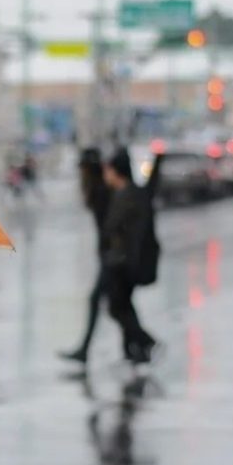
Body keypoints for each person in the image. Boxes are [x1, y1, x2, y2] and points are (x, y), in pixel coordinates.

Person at [101, 148, 158, 365]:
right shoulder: (121, 194)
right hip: (121, 261)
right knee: (123, 306)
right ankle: (134, 351)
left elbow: (126, 232)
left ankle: (145, 342)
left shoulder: (130, 196)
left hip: (125, 263)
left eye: (108, 170)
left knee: (118, 307)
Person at [60, 146, 113, 365]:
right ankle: (139, 345)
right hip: (109, 255)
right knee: (118, 306)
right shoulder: (97, 190)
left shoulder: (101, 191)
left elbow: (110, 226)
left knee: (103, 302)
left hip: (113, 256)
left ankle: (143, 343)